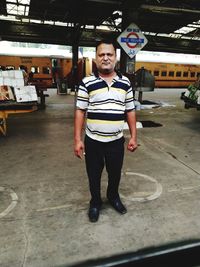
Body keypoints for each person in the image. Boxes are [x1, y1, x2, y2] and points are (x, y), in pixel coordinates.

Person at [74, 40, 137, 223]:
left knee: (115, 173)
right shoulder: (87, 82)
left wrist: (133, 136)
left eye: (109, 54)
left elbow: (130, 110)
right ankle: (95, 202)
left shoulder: (125, 83)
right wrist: (77, 139)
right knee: (93, 174)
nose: (106, 58)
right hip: (93, 141)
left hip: (116, 141)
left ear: (116, 58)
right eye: (101, 54)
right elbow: (80, 111)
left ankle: (113, 196)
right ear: (95, 58)